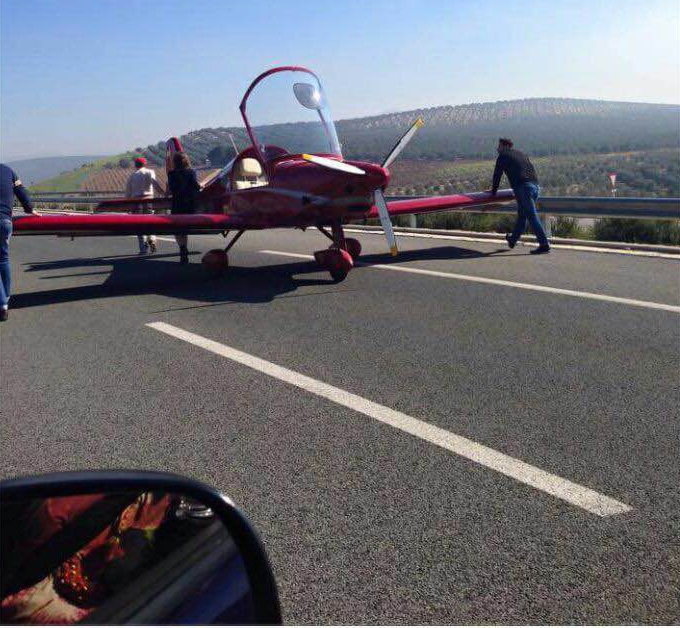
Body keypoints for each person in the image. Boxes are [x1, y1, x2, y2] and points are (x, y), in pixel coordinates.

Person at [490, 138, 550, 254]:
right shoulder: (521, 154)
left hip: (523, 188)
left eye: (499, 146)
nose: (497, 148)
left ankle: (544, 244)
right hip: (535, 186)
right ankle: (512, 240)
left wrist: (493, 192)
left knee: (532, 216)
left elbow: (497, 174)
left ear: (504, 146)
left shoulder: (503, 155)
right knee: (522, 215)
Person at [0, 163, 39, 322]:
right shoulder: (8, 171)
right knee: (3, 259)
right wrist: (30, 209)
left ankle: (2, 305)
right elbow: (21, 191)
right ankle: (6, 300)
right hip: (5, 222)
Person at [125, 157, 165, 255]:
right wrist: (163, 193)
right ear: (145, 164)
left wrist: (128, 205)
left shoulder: (132, 175)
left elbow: (128, 193)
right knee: (150, 222)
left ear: (136, 165)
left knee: (139, 225)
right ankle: (152, 238)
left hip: (136, 202)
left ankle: (143, 248)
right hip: (148, 200)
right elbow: (155, 184)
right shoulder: (150, 172)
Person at [167, 152, 201, 264]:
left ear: (175, 162)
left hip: (177, 204)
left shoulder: (171, 174)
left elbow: (171, 189)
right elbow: (196, 186)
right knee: (186, 227)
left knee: (179, 230)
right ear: (186, 160)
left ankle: (182, 248)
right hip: (190, 204)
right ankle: (183, 248)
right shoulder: (191, 172)